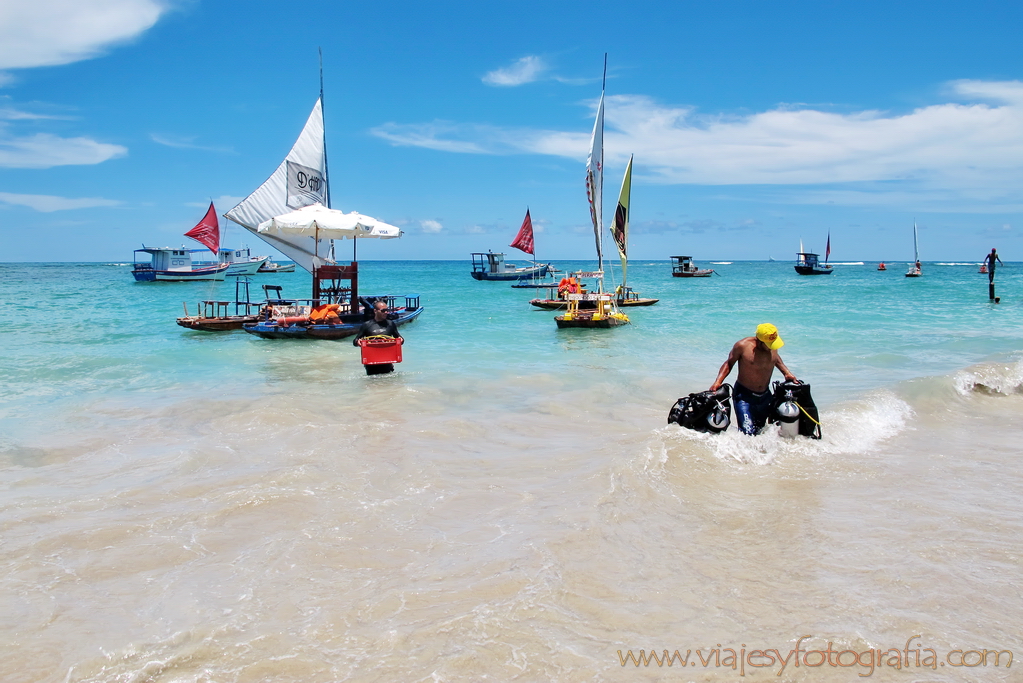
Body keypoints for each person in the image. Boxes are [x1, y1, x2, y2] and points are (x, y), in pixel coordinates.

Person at [709, 323, 798, 435]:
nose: (772, 347)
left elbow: (776, 358)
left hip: (765, 396)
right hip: (744, 397)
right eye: (769, 344)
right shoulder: (742, 346)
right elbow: (729, 363)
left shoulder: (772, 346)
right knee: (747, 433)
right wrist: (718, 382)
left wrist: (787, 373)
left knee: (760, 431)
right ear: (759, 341)